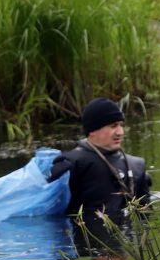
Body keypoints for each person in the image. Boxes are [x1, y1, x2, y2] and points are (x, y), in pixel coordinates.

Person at [47, 97, 152, 251]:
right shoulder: (70, 164)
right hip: (87, 243)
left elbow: (146, 213)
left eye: (121, 125)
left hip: (128, 242)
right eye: (113, 126)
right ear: (92, 130)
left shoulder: (137, 166)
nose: (120, 132)